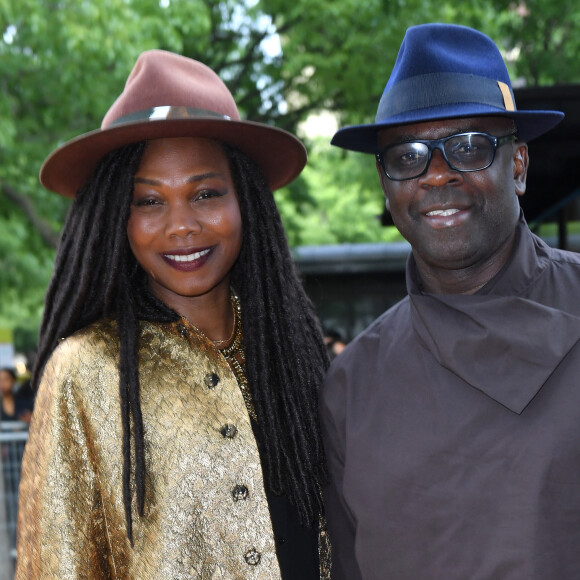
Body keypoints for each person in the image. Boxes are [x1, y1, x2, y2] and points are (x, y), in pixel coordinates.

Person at [16, 50, 330, 579]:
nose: (182, 225)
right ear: (117, 216)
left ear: (245, 202)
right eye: (150, 201)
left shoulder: (293, 350)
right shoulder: (84, 371)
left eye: (206, 193)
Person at [319, 22, 580, 579]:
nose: (436, 175)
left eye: (467, 147)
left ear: (519, 165)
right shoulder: (352, 384)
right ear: (387, 189)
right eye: (408, 156)